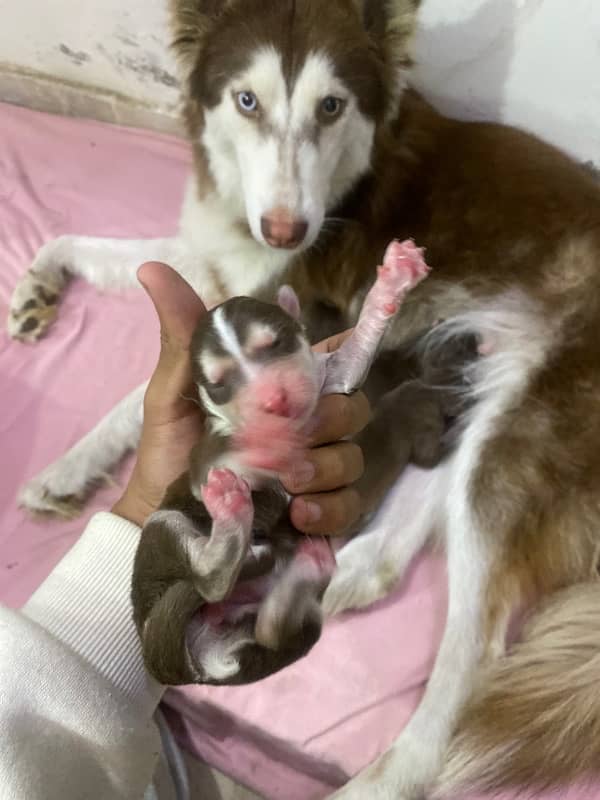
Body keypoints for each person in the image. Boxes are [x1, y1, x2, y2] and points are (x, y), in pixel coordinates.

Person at [0, 262, 371, 800]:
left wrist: (143, 515)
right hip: (129, 730)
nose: (265, 397)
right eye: (222, 382)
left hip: (123, 721)